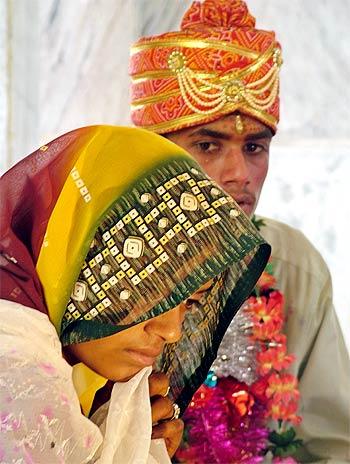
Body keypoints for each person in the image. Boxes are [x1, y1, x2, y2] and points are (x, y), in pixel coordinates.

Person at [129, 1, 350, 462]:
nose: (239, 174)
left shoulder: (293, 264)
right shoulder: (102, 265)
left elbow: (331, 446)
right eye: (208, 145)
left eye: (254, 147)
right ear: (153, 153)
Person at [0, 125, 270, 462]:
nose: (172, 332)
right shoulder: (15, 366)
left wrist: (112, 430)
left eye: (189, 302)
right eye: (151, 290)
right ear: (77, 260)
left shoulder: (58, 350)